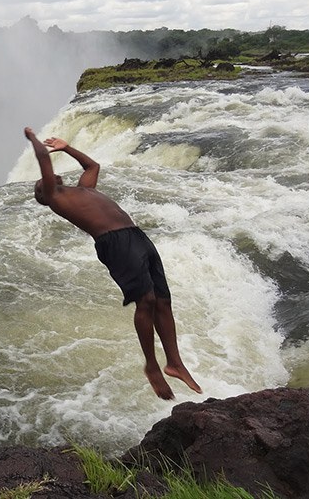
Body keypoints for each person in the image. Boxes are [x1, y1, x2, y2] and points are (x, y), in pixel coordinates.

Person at [24, 127, 202, 400]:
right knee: (146, 302)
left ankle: (174, 363)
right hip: (114, 243)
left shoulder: (84, 189)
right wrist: (34, 140)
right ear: (45, 195)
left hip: (136, 236)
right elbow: (44, 161)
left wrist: (66, 147)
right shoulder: (56, 198)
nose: (43, 181)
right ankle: (151, 365)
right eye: (41, 185)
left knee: (163, 300)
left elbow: (92, 165)